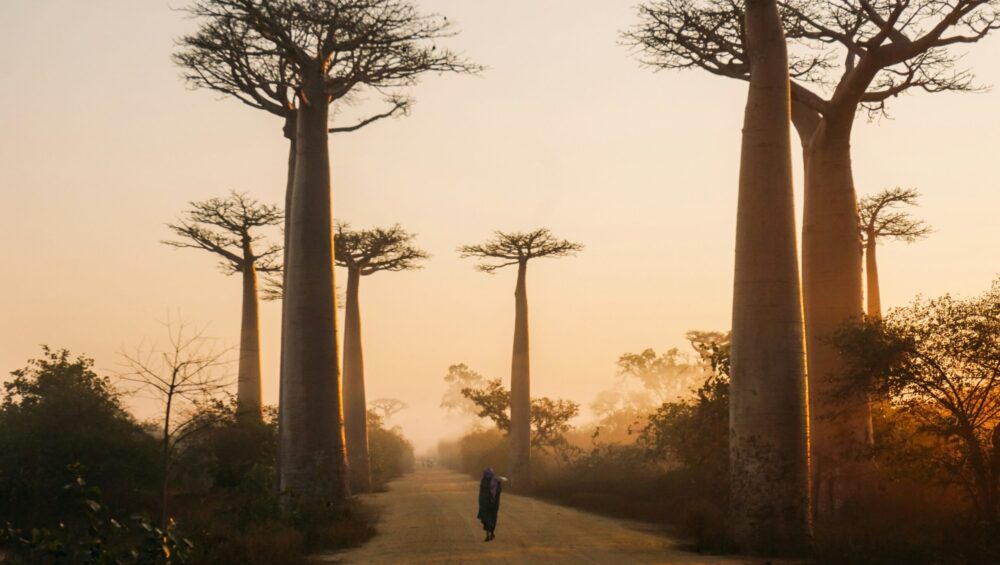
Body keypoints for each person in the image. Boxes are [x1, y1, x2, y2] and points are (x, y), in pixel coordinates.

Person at [477, 467, 502, 541]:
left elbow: (481, 493)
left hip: (485, 503)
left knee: (487, 518)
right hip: (494, 504)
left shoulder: (483, 481)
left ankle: (488, 534)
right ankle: (491, 533)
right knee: (493, 518)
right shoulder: (495, 481)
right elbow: (498, 492)